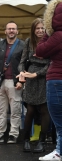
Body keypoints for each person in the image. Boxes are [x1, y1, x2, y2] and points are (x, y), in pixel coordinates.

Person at [0, 21, 25, 144]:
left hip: (15, 81)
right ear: (5, 31)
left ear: (17, 31)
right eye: (9, 29)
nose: (11, 31)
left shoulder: (22, 45)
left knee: (15, 110)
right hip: (1, 82)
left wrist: (21, 81)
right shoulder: (0, 45)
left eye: (13, 29)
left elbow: (25, 64)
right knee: (0, 110)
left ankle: (13, 135)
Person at [36, 0, 62, 161]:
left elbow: (40, 51)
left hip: (57, 81)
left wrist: (48, 31)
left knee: (61, 127)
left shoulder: (58, 35)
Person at [17, 18, 50, 153]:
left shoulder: (50, 41)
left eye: (42, 28)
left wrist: (37, 74)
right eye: (38, 28)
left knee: (44, 110)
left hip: (44, 77)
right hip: (30, 77)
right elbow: (22, 61)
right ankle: (25, 140)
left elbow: (51, 64)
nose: (40, 30)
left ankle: (41, 141)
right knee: (30, 110)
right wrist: (22, 72)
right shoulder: (28, 42)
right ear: (33, 30)